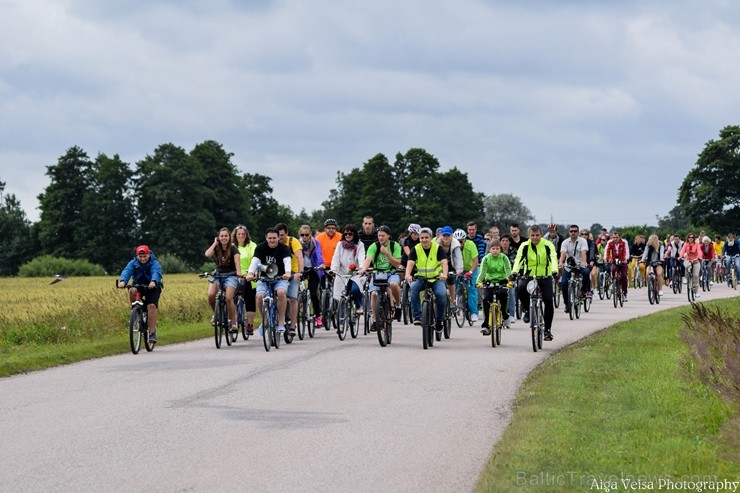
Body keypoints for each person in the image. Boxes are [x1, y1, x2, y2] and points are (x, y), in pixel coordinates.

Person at [510, 225, 558, 341]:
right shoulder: (524, 246)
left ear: (541, 235)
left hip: (545, 276)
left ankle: (547, 330)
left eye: (537, 235)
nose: (535, 238)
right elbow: (519, 259)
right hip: (529, 275)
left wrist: (554, 270)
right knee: (521, 289)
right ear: (529, 235)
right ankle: (527, 310)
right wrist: (514, 272)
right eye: (532, 235)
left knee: (548, 300)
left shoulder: (548, 245)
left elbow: (553, 257)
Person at [245, 227, 292, 334]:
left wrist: (288, 272)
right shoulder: (260, 248)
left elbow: (287, 261)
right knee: (260, 296)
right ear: (266, 238)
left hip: (280, 277)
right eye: (269, 238)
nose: (272, 240)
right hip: (264, 278)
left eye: (274, 238)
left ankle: (280, 322)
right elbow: (255, 261)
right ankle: (264, 319)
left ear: (278, 238)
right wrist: (250, 273)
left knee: (281, 293)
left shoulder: (284, 248)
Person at [358, 225, 402, 328]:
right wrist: (363, 269)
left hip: (391, 272)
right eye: (379, 235)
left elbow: (397, 264)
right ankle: (375, 319)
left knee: (394, 284)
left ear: (388, 236)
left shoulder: (394, 245)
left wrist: (387, 254)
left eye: (383, 235)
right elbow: (368, 260)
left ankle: (398, 306)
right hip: (378, 273)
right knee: (373, 294)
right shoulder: (374, 246)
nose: (380, 238)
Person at [406, 227, 449, 332]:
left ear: (431, 238)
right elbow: (410, 263)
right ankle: (417, 316)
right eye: (421, 238)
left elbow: (444, 262)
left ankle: (439, 320)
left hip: (436, 278)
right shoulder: (416, 249)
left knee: (441, 294)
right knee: (413, 289)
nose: (424, 240)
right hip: (422, 278)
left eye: (426, 237)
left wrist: (444, 274)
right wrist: (408, 275)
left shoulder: (437, 248)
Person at [117, 245, 163, 344]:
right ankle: (135, 310)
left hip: (152, 286)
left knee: (151, 306)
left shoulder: (154, 263)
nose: (142, 259)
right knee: (132, 290)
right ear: (137, 256)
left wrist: (154, 281)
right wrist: (123, 281)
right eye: (140, 257)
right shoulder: (133, 263)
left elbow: (156, 272)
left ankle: (152, 332)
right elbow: (127, 271)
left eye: (144, 256)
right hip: (138, 285)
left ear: (148, 255)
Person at [205, 227, 241, 335]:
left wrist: (238, 273)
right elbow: (207, 254)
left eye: (226, 236)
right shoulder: (217, 247)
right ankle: (216, 315)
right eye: (221, 236)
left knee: (229, 298)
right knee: (211, 295)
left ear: (229, 237)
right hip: (218, 275)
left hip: (231, 275)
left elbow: (237, 262)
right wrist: (215, 243)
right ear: (218, 237)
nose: (224, 238)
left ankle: (234, 322)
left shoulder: (233, 248)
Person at [476, 239, 512, 335]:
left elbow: (508, 269)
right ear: (489, 249)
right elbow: (482, 272)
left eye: (497, 248)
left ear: (500, 249)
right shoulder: (486, 258)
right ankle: (486, 325)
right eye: (493, 248)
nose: (495, 250)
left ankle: (505, 314)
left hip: (502, 281)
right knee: (486, 300)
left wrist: (510, 281)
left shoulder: (504, 258)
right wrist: (479, 282)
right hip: (489, 282)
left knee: (504, 295)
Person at [331, 224, 366, 314]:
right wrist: (333, 269)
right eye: (346, 234)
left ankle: (358, 305)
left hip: (356, 273)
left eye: (350, 234)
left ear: (354, 234)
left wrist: (362, 268)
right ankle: (341, 322)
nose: (348, 236)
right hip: (342, 273)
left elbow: (362, 258)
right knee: (341, 295)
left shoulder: (360, 245)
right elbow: (336, 258)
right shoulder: (339, 245)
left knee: (355, 289)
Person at [276, 223, 304, 335]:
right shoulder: (273, 243)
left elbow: (300, 257)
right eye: (278, 235)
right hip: (278, 273)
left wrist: (299, 272)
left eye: (282, 235)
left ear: (286, 234)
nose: (279, 237)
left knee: (292, 298)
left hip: (293, 272)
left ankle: (292, 325)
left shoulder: (293, 242)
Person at [558, 224, 592, 313]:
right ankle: (566, 303)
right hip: (569, 265)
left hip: (580, 264)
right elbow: (563, 254)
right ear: (569, 232)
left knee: (586, 272)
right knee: (564, 283)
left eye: (575, 231)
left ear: (578, 232)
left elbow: (584, 252)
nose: (573, 233)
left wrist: (584, 262)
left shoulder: (582, 241)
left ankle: (583, 292)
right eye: (571, 231)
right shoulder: (565, 242)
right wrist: (561, 263)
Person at [298, 224, 326, 328]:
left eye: (307, 235)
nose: (304, 237)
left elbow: (319, 254)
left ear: (310, 235)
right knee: (296, 291)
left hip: (313, 268)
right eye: (302, 235)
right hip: (301, 269)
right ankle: (299, 305)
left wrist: (321, 264)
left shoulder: (315, 243)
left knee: (313, 293)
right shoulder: (298, 243)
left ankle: (318, 316)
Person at [233, 225, 258, 335]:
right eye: (239, 234)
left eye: (243, 234)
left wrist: (252, 273)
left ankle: (250, 324)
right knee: (231, 297)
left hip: (248, 275)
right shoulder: (232, 246)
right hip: (234, 275)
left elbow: (254, 258)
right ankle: (233, 320)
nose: (241, 236)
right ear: (235, 235)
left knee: (250, 299)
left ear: (246, 235)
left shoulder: (251, 245)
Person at [454, 228, 480, 322]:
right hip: (458, 269)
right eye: (457, 241)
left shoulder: (471, 245)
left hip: (470, 268)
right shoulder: (453, 246)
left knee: (472, 288)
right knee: (454, 286)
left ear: (465, 240)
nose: (459, 243)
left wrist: (471, 272)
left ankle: (474, 313)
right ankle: (455, 304)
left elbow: (475, 261)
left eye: (461, 241)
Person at [435, 226, 464, 309]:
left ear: (451, 236)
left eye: (448, 235)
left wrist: (459, 269)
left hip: (451, 263)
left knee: (451, 280)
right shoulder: (437, 244)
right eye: (444, 235)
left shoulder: (455, 244)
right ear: (441, 236)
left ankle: (452, 300)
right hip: (440, 264)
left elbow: (458, 257)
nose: (446, 237)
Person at [466, 221, 487, 322]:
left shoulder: (480, 239)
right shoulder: (464, 239)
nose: (471, 232)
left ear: (476, 230)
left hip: (475, 264)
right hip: (464, 266)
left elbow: (481, 250)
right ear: (467, 230)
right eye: (470, 230)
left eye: (473, 229)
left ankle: (474, 311)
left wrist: (481, 261)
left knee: (473, 287)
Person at [604, 229, 630, 301]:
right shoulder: (610, 242)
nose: (615, 239)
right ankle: (613, 283)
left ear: (619, 237)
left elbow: (626, 251)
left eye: (617, 237)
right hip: (614, 260)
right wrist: (606, 258)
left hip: (622, 260)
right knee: (613, 269)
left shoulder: (624, 242)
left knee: (624, 276)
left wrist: (626, 259)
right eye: (614, 237)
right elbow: (607, 251)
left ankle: (624, 293)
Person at [500, 234, 517, 325]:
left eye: (506, 241)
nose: (505, 243)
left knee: (511, 293)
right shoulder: (497, 251)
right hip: (499, 275)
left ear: (509, 242)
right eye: (503, 241)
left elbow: (516, 263)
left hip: (511, 275)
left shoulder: (514, 251)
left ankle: (511, 315)